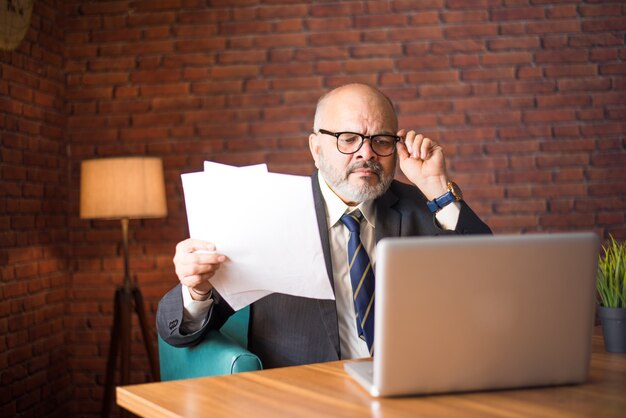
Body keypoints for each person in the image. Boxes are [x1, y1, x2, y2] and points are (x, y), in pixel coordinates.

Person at [157, 83, 491, 368]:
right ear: (316, 148)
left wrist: (436, 186)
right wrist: (197, 291)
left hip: (412, 393)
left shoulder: (426, 204)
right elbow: (180, 330)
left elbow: (488, 280)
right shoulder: (270, 214)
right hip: (308, 401)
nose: (367, 153)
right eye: (348, 139)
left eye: (381, 140)